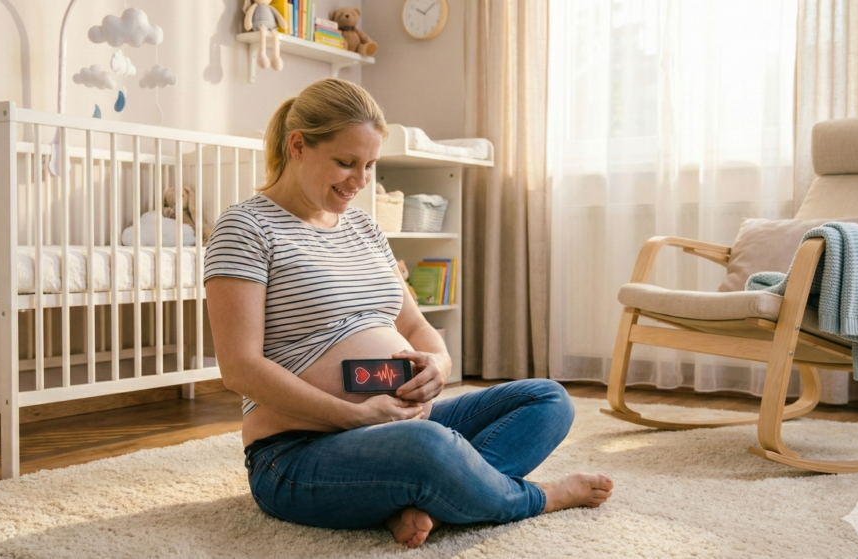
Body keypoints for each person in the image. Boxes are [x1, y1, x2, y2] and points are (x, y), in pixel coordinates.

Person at [204, 78, 613, 549]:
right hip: (297, 453)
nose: (361, 182)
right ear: (298, 145)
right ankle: (536, 497)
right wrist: (351, 417)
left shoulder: (363, 227)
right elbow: (239, 368)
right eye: (345, 163)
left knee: (548, 399)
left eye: (370, 165)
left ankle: (435, 500)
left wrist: (438, 366)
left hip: (402, 424)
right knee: (430, 448)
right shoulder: (246, 227)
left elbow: (416, 326)